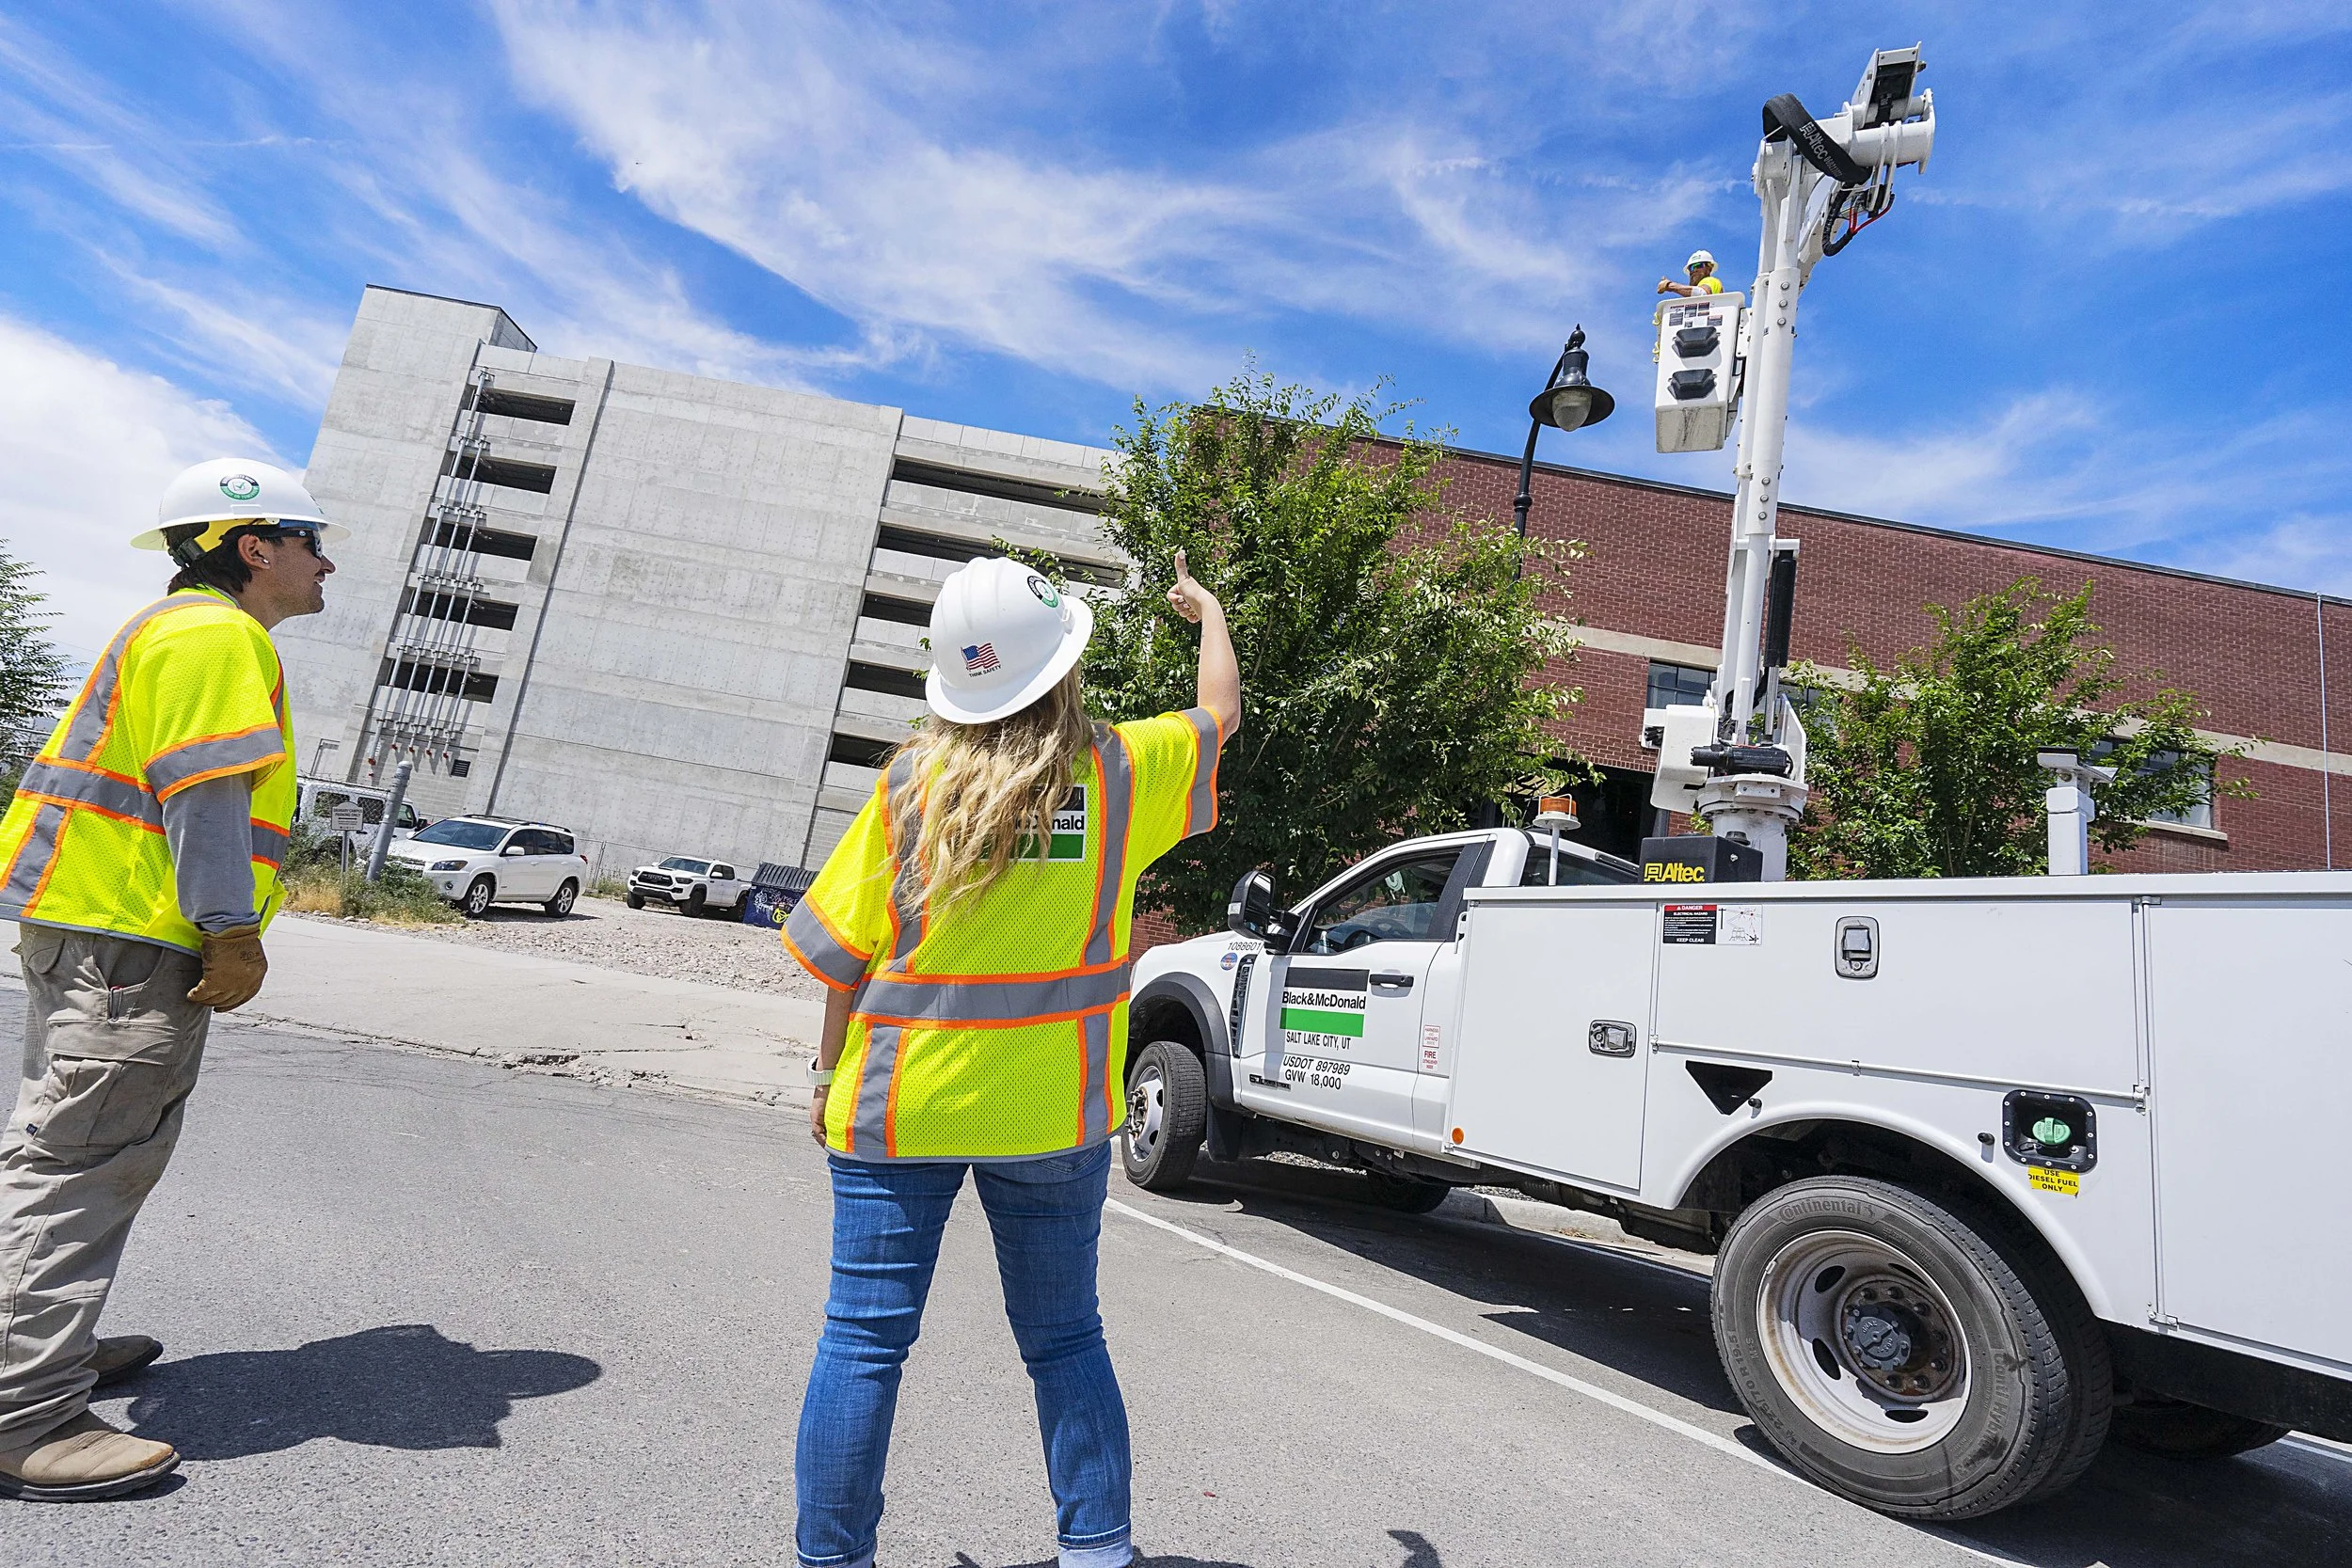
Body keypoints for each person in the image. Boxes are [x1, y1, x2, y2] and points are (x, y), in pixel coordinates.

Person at [782, 549, 1239, 1568]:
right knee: (1065, 1337)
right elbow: (1220, 713)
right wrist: (1206, 612)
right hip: (1049, 1111)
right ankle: (1096, 1551)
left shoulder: (911, 782)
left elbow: (841, 954)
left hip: (901, 1107)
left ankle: (831, 1557)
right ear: (1062, 664)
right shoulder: (1120, 772)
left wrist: (825, 1078)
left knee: (861, 1340)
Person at [0, 458, 340, 1501]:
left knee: (63, 1145)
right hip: (135, 941)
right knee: (81, 1162)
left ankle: (38, 1343)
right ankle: (24, 1409)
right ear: (255, 547)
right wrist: (231, 931)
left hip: (99, 929)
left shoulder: (178, 630)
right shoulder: (213, 635)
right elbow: (204, 799)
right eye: (312, 541)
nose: (326, 563)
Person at [1658, 248, 1725, 297]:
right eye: (1691, 267)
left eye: (1699, 265)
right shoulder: (1689, 297)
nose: (1694, 270)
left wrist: (1670, 286)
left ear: (1709, 268)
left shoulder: (1712, 281)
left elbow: (1702, 293)